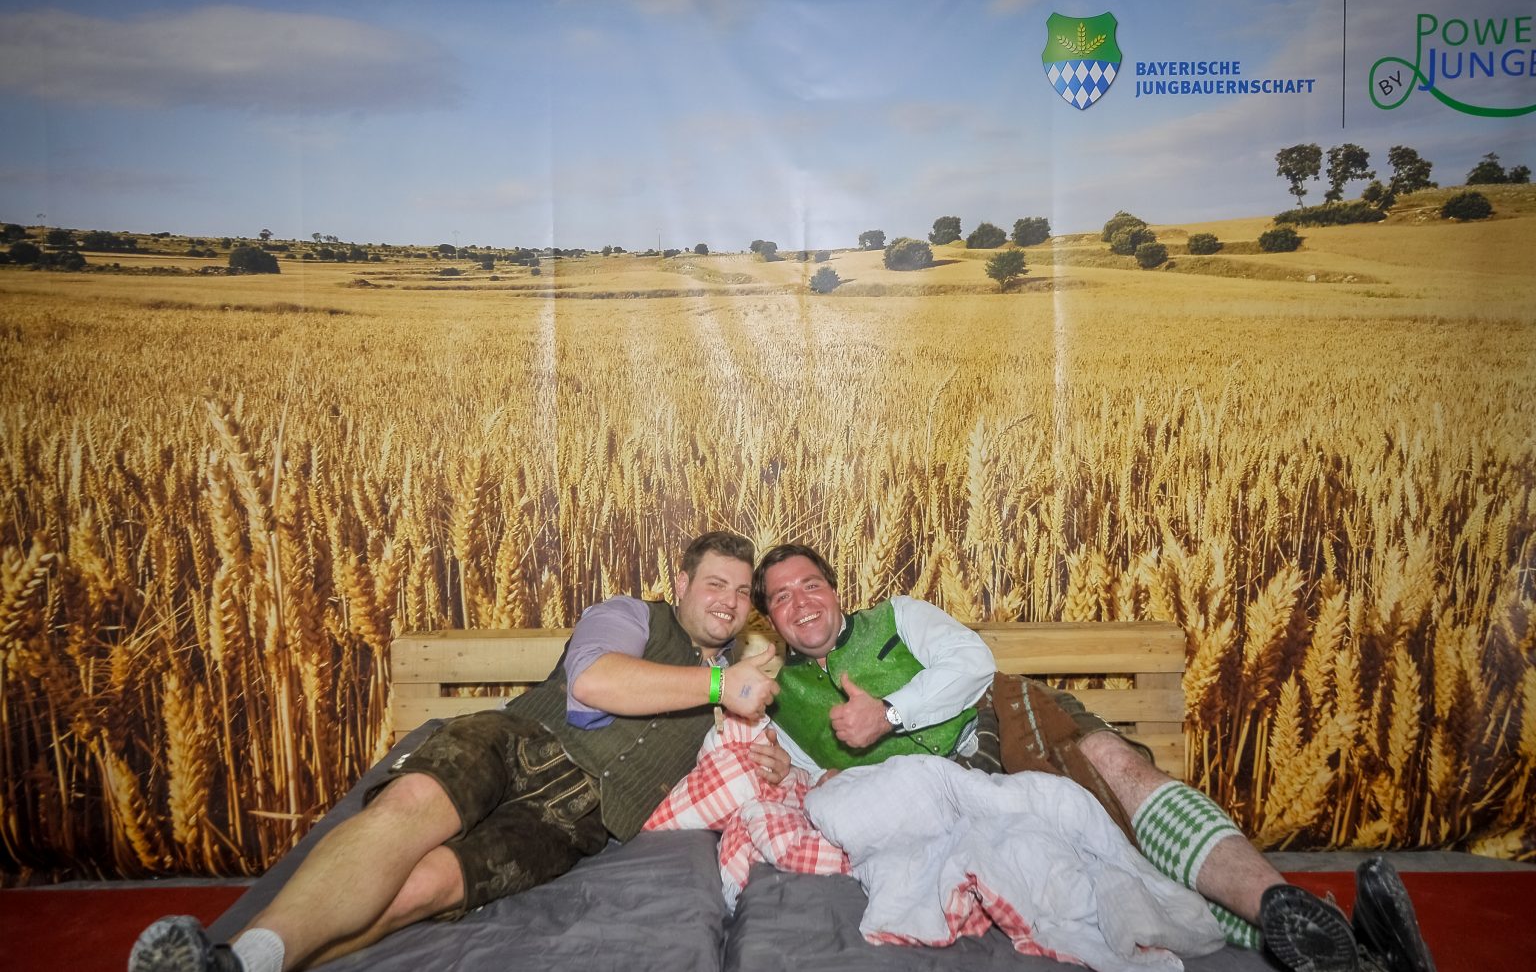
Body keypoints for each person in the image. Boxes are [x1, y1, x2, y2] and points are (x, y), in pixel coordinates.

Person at [751, 542, 1435, 972]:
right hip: (958, 794)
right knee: (1101, 861)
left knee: (1114, 766)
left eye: (810, 584)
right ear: (770, 620)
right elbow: (816, 781)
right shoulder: (781, 699)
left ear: (834, 589)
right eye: (781, 598)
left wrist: (891, 713)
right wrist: (798, 774)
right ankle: (1342, 949)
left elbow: (973, 663)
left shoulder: (900, 615)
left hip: (1002, 722)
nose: (800, 603)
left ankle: (1282, 905)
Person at [129, 531, 778, 972]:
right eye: (714, 583)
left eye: (740, 592)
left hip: (577, 818)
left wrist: (771, 760)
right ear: (682, 582)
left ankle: (242, 965)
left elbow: (749, 764)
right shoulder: (631, 616)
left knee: (431, 886)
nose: (727, 601)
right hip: (516, 742)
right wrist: (720, 685)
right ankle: (239, 957)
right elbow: (593, 682)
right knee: (409, 806)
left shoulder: (739, 687)